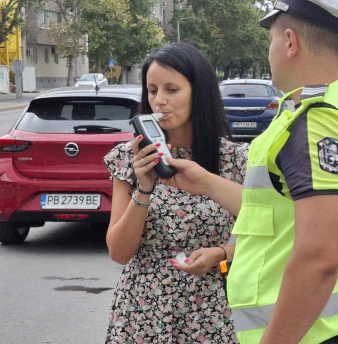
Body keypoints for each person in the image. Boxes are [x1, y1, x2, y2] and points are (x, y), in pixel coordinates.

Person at [165, 0, 338, 344]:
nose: (271, 52)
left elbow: (319, 258)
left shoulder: (322, 121)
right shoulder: (331, 107)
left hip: (321, 335)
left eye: (271, 42)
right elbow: (279, 212)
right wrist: (206, 182)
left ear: (290, 42)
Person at [103, 43, 248, 343]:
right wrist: (143, 188)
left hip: (211, 307)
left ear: (199, 92)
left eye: (172, 89)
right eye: (152, 90)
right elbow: (118, 252)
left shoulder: (235, 159)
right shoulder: (129, 158)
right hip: (142, 309)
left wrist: (222, 254)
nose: (160, 101)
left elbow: (270, 234)